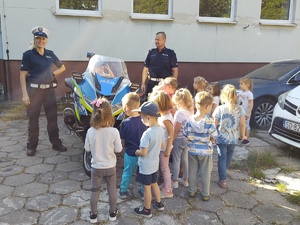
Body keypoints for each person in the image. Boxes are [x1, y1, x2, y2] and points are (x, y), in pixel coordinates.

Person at [20, 26, 67, 156]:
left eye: (43, 38)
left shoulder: (49, 54)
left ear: (46, 40)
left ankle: (56, 143)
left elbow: (62, 67)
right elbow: (22, 75)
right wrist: (25, 94)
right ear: (34, 40)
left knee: (52, 119)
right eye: (38, 38)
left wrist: (52, 74)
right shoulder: (28, 55)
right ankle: (32, 146)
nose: (41, 41)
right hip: (34, 92)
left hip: (49, 92)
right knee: (33, 120)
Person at [84, 97, 122, 223]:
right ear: (110, 115)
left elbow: (87, 149)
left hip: (96, 168)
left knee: (94, 190)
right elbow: (118, 149)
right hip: (110, 167)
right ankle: (112, 213)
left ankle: (93, 215)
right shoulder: (114, 131)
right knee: (112, 190)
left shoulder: (90, 131)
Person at [183, 91, 218, 201]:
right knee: (205, 173)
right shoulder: (209, 121)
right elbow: (214, 136)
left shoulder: (190, 120)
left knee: (192, 171)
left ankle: (192, 190)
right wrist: (211, 140)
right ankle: (205, 193)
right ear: (207, 106)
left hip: (192, 150)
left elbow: (185, 134)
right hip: (206, 152)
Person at [132, 101, 165, 218]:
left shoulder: (147, 134)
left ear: (149, 117)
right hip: (155, 165)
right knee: (154, 184)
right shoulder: (161, 130)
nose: (141, 119)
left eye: (141, 117)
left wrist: (137, 152)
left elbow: (144, 153)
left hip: (146, 166)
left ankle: (146, 210)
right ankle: (159, 203)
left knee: (146, 189)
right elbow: (162, 145)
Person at [212, 84, 246, 189]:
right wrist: (243, 135)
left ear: (223, 96)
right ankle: (224, 172)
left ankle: (223, 180)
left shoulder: (219, 108)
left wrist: (212, 136)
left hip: (221, 138)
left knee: (222, 158)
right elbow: (242, 124)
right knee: (229, 156)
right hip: (234, 138)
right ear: (235, 95)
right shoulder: (240, 109)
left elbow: (214, 124)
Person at [119, 92, 147, 199]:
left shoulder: (125, 123)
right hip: (143, 153)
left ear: (126, 108)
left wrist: (122, 148)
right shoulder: (145, 121)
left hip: (130, 153)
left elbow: (122, 140)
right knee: (142, 173)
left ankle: (123, 190)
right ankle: (142, 191)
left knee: (127, 171)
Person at [149, 91, 174, 198]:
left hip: (164, 149)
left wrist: (168, 149)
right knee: (163, 167)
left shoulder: (166, 119)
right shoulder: (164, 116)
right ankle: (166, 184)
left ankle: (168, 190)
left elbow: (171, 134)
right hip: (161, 147)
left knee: (164, 168)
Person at [141, 31, 178, 97]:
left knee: (163, 104)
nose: (156, 41)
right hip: (151, 83)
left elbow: (175, 70)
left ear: (164, 40)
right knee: (150, 102)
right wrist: (143, 83)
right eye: (155, 39)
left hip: (164, 84)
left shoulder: (170, 54)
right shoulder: (151, 53)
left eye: (158, 40)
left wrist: (173, 84)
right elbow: (145, 69)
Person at [171, 88, 194, 189]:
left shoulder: (179, 113)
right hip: (187, 138)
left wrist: (171, 140)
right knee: (185, 158)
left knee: (176, 159)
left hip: (179, 138)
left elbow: (176, 130)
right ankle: (185, 179)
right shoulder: (191, 111)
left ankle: (175, 181)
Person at [238, 77, 254, 144]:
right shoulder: (240, 92)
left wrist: (249, 112)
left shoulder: (249, 93)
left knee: (246, 124)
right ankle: (241, 136)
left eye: (241, 84)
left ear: (247, 84)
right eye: (239, 83)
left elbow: (251, 103)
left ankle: (247, 138)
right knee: (240, 124)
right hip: (240, 112)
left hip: (246, 112)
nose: (240, 85)